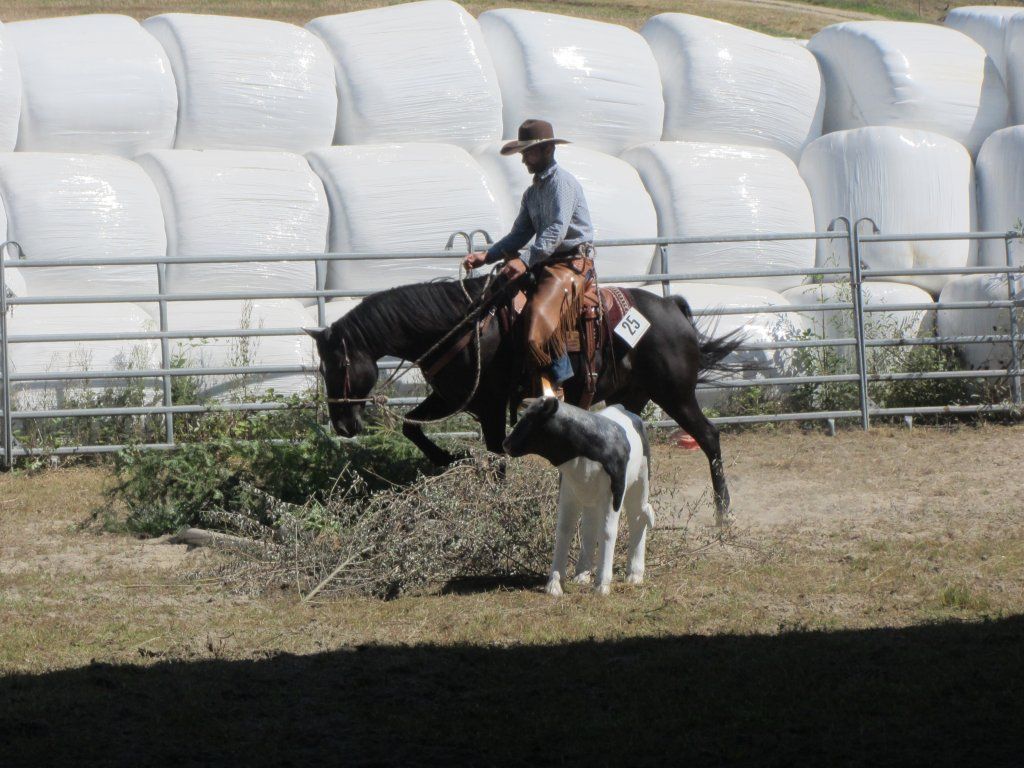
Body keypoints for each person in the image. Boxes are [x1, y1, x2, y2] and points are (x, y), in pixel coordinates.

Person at [463, 119, 595, 399]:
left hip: (570, 264)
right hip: (546, 262)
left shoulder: (563, 184)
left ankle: (556, 390)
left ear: (547, 150)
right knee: (498, 300)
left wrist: (524, 260)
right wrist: (487, 256)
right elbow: (519, 234)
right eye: (522, 152)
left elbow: (556, 231)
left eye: (528, 152)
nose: (523, 159)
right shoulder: (532, 193)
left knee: (537, 321)